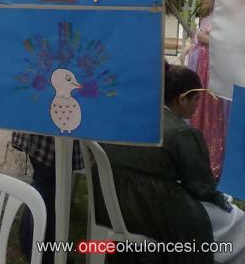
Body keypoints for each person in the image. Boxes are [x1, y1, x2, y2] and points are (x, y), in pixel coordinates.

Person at [97, 64, 245, 264]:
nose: (198, 106)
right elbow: (201, 188)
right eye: (197, 99)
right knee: (238, 220)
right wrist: (221, 198)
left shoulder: (130, 120)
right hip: (160, 213)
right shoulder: (183, 133)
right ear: (182, 99)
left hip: (117, 206)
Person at [12, 133, 83, 264]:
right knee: (47, 190)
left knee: (42, 186)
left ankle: (28, 241)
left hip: (42, 135)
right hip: (51, 137)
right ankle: (44, 255)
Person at [186, 0, 229, 179]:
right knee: (199, 112)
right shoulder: (205, 19)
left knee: (213, 114)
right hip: (200, 74)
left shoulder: (226, 20)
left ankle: (214, 159)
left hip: (215, 76)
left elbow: (232, 46)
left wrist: (207, 40)